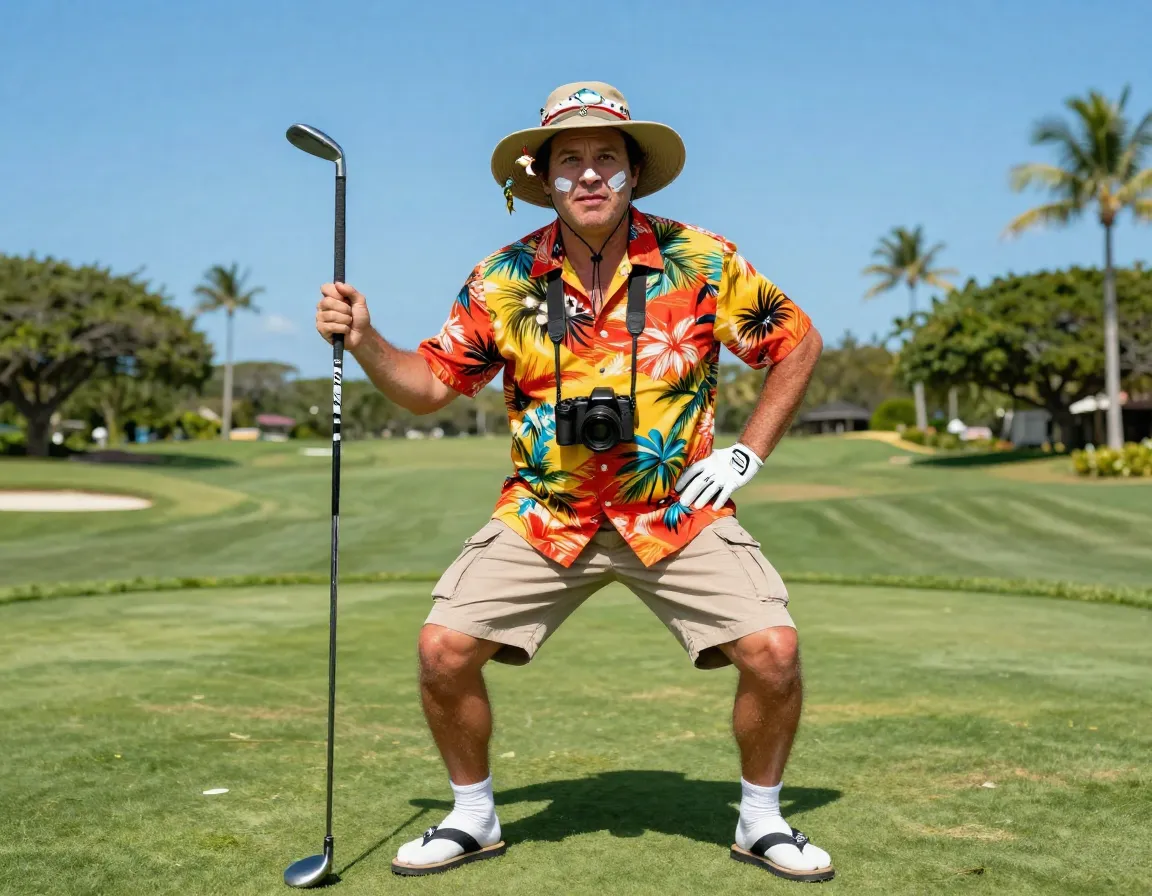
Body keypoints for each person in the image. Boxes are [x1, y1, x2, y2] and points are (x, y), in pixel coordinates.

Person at [314, 81, 831, 883]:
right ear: (542, 177)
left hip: (674, 509)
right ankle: (473, 817)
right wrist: (366, 335)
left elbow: (795, 344)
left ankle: (761, 822)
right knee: (442, 650)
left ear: (634, 173)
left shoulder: (702, 259)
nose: (589, 175)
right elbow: (427, 385)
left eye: (605, 159)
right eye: (570, 162)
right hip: (546, 511)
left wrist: (745, 455)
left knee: (774, 652)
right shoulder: (503, 276)